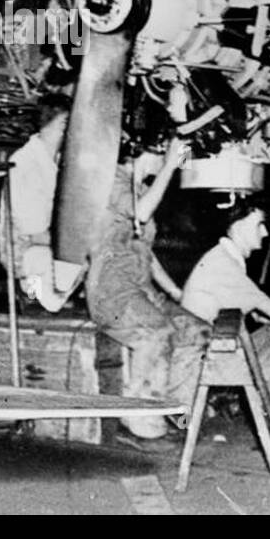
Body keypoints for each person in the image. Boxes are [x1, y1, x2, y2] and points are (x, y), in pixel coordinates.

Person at [87, 139, 210, 441]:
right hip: (111, 290)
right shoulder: (110, 182)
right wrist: (171, 163)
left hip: (139, 289)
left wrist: (174, 292)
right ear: (147, 151)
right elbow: (139, 216)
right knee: (157, 333)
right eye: (163, 153)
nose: (166, 161)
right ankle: (137, 415)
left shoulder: (141, 190)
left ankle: (173, 409)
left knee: (196, 331)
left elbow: (146, 250)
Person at [5, 95, 79, 311]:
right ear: (49, 124)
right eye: (67, 124)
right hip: (31, 249)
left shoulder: (57, 161)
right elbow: (33, 230)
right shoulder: (25, 162)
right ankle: (37, 294)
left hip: (51, 243)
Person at [181, 204, 270, 325]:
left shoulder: (222, 255)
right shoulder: (223, 263)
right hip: (200, 339)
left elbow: (257, 313)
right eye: (259, 225)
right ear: (238, 227)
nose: (265, 232)